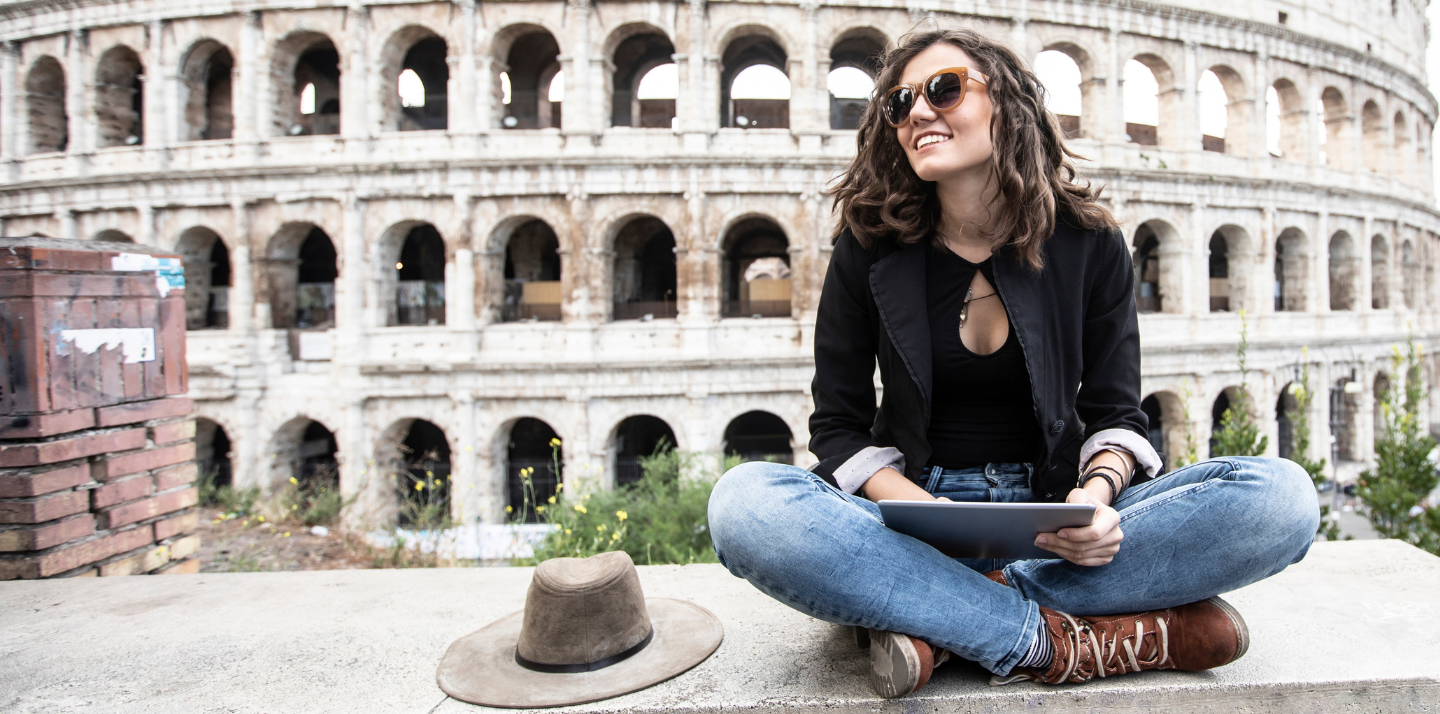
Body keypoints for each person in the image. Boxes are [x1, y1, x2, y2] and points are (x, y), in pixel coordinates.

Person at [706, 26, 1320, 698]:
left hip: (1055, 520)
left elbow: (1115, 413)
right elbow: (839, 427)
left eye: (943, 90)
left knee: (1281, 500)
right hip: (909, 522)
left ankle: (941, 616)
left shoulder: (1090, 243)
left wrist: (1095, 499)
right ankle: (1047, 640)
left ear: (1009, 103)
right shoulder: (868, 247)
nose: (915, 111)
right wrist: (919, 511)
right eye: (898, 103)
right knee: (746, 505)